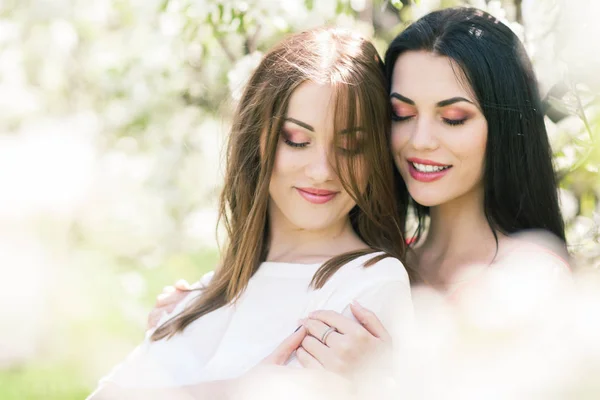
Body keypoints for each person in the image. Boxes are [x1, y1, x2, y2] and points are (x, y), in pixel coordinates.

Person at [150, 6, 571, 383]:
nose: (420, 140)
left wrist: (388, 379)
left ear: (504, 127)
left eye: (454, 118)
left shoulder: (531, 279)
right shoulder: (377, 263)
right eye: (400, 114)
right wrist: (204, 315)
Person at [88, 27, 413, 399]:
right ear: (259, 138)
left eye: (351, 146)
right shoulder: (203, 294)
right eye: (297, 140)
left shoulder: (366, 283)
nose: (323, 170)